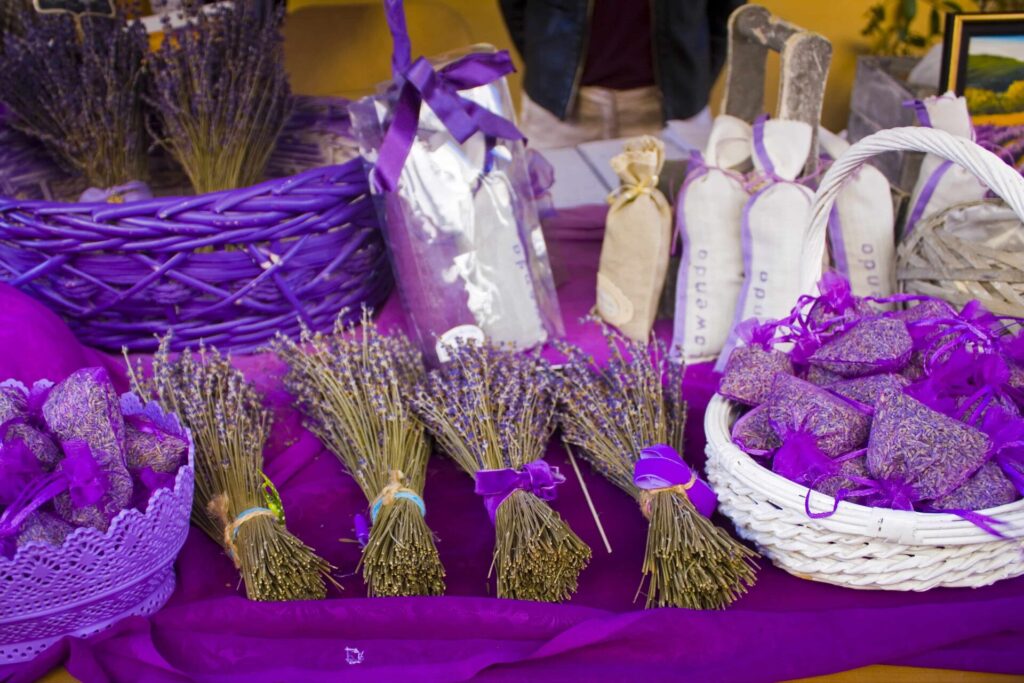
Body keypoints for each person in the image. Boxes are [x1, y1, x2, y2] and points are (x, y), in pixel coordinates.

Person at [499, 0, 745, 150]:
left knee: (680, 230)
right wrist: (545, 61)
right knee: (546, 226)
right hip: (558, 115)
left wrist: (694, 78)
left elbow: (727, 15)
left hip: (674, 115)